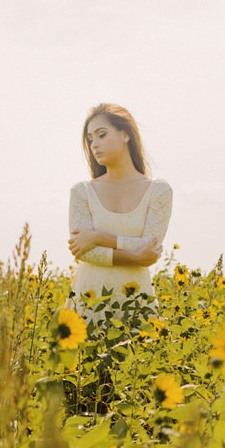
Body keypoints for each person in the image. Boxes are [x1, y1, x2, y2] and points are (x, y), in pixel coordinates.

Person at [66, 103, 172, 328]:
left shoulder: (158, 190)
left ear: (125, 134)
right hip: (88, 298)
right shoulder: (81, 191)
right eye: (90, 139)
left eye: (101, 135)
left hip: (136, 300)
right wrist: (134, 257)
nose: (95, 144)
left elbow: (149, 247)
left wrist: (98, 237)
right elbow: (84, 252)